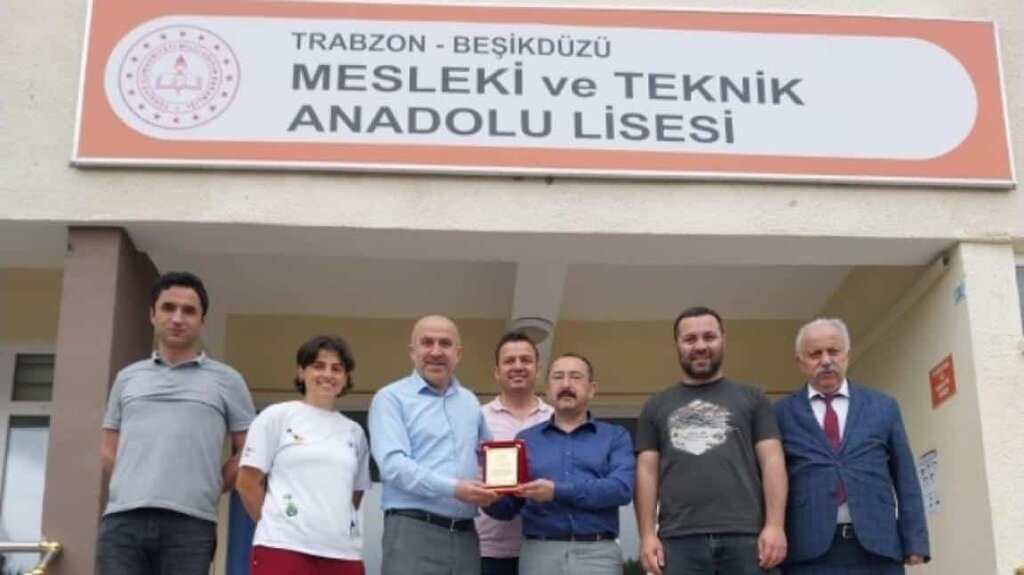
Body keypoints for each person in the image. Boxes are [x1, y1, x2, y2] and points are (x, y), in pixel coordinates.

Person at [98, 271, 256, 575]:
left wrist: (214, 484)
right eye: (168, 308)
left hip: (191, 525)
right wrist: (137, 482)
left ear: (202, 320)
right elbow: (108, 447)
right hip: (123, 521)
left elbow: (249, 448)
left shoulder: (228, 380)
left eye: (189, 311)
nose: (178, 318)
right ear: (152, 315)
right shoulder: (127, 378)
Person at [635, 306, 788, 575]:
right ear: (676, 345)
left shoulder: (754, 399)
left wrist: (775, 525)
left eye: (709, 337)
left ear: (723, 339)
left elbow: (773, 462)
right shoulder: (655, 406)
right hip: (678, 540)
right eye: (690, 339)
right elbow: (646, 472)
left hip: (745, 537)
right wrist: (647, 535)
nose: (700, 346)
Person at [775, 318, 930, 574]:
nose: (826, 360)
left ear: (847, 355)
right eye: (815, 354)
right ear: (800, 363)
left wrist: (915, 540)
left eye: (833, 351)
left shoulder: (883, 407)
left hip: (878, 548)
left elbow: (905, 476)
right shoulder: (781, 414)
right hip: (808, 553)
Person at [368, 315, 498, 575]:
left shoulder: (470, 402)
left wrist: (505, 480)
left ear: (458, 354)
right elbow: (393, 466)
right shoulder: (391, 398)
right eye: (427, 342)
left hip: (465, 535)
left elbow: (490, 453)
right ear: (412, 352)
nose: (436, 352)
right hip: (413, 531)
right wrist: (454, 489)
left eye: (445, 343)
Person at [485, 353, 635, 575]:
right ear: (547, 389)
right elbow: (509, 507)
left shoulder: (615, 436)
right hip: (540, 553)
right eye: (558, 377)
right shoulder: (526, 440)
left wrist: (557, 491)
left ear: (592, 389)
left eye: (575, 377)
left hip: (598, 554)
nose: (566, 384)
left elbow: (620, 489)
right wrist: (489, 498)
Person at [237, 335, 371, 575]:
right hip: (283, 548)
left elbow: (355, 493)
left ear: (345, 377)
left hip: (343, 554)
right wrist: (276, 524)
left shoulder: (355, 432)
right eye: (318, 366)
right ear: (301, 372)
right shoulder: (276, 417)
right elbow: (247, 482)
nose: (327, 374)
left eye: (336, 368)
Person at [476, 331, 554, 575]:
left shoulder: (556, 418)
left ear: (538, 369)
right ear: (496, 371)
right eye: (509, 361)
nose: (518, 366)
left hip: (546, 546)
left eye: (526, 360)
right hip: (487, 550)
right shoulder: (477, 418)